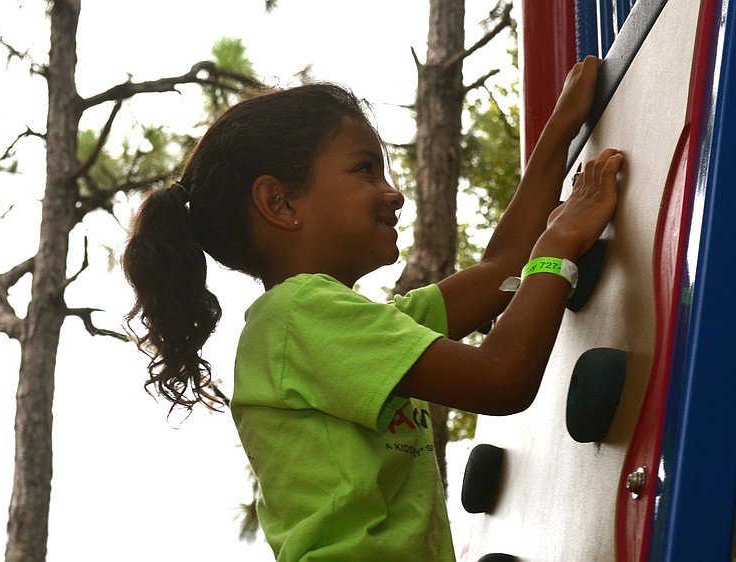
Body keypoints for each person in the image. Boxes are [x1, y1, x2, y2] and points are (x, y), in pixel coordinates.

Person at [122, 55, 622, 562]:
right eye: (364, 169)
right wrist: (558, 247)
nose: (394, 193)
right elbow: (502, 376)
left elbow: (503, 267)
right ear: (281, 203)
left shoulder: (347, 326)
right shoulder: (300, 315)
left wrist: (561, 127)